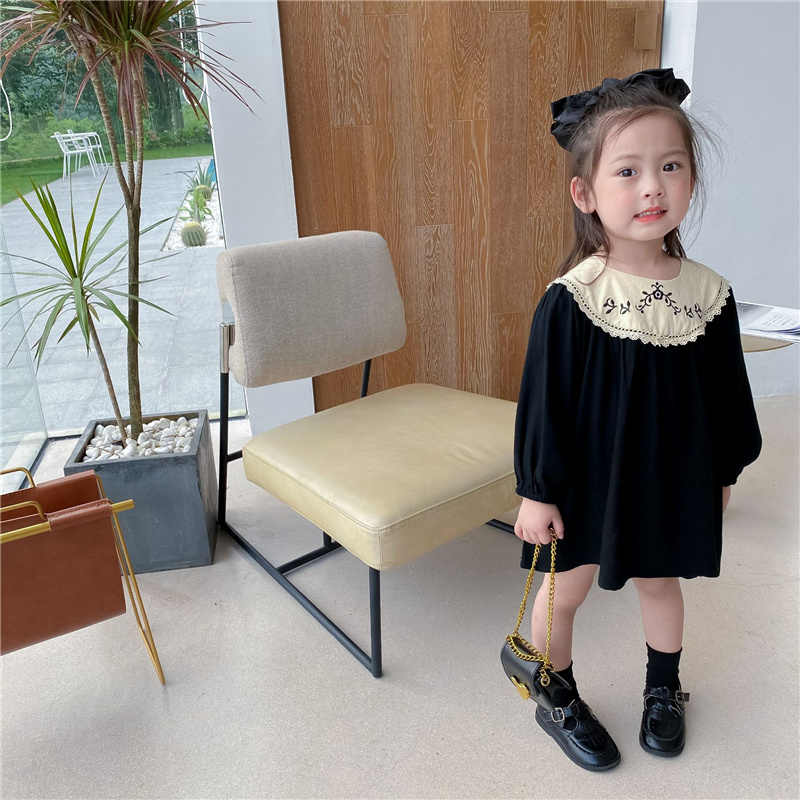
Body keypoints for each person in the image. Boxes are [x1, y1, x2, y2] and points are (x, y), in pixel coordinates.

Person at [505, 68, 762, 772]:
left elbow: (726, 395)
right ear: (585, 193)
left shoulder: (709, 294)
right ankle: (556, 696)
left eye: (670, 167)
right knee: (565, 590)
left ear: (691, 180)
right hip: (583, 479)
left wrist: (724, 471)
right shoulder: (575, 297)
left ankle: (663, 688)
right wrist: (537, 490)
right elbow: (544, 402)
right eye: (628, 171)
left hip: (669, 474)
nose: (652, 187)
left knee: (660, 581)